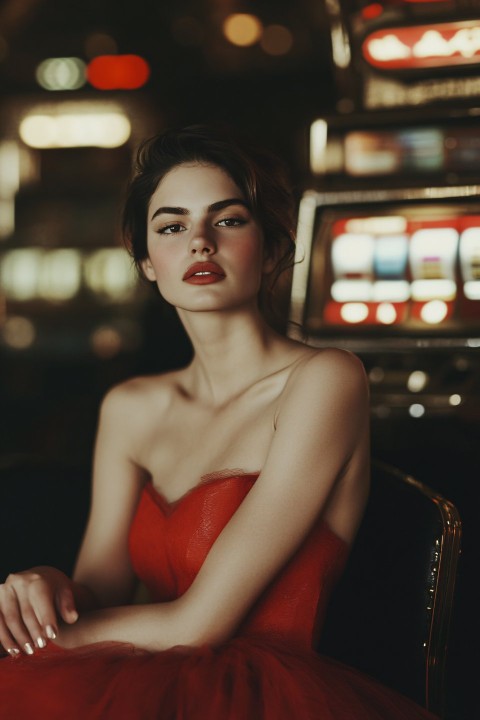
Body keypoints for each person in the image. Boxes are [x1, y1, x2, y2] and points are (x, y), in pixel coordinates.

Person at [0, 126, 437, 719]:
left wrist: (36, 645)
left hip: (267, 698)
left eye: (228, 220)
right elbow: (99, 590)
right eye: (172, 227)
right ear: (147, 261)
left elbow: (200, 622)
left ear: (273, 247)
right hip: (131, 685)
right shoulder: (131, 405)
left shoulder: (325, 380)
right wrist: (48, 589)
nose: (200, 243)